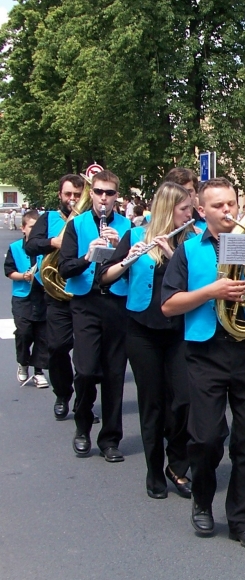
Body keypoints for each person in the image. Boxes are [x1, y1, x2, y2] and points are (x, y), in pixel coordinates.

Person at [161, 177, 245, 549]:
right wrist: (212, 291)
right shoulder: (189, 250)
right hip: (206, 351)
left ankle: (244, 519)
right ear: (201, 211)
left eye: (231, 204)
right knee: (205, 438)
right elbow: (169, 305)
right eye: (218, 206)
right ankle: (203, 501)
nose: (227, 211)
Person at [100, 183, 194, 499]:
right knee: (151, 403)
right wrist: (126, 260)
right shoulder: (135, 236)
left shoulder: (192, 241)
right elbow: (105, 277)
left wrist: (172, 255)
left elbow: (200, 282)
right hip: (142, 330)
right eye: (184, 209)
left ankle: (177, 466)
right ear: (168, 209)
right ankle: (154, 471)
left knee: (184, 400)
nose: (190, 214)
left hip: (180, 329)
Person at [58, 170, 132, 461]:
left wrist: (120, 248)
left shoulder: (128, 226)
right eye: (99, 192)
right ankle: (83, 424)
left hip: (117, 303)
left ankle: (110, 439)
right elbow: (65, 268)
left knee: (114, 374)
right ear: (91, 193)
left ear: (116, 196)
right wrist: (88, 255)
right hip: (86, 302)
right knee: (86, 371)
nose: (104, 198)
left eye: (109, 193)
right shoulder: (76, 225)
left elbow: (135, 267)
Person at [24, 174, 84, 420]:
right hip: (55, 294)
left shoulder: (88, 219)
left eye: (78, 195)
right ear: (60, 195)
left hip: (83, 292)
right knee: (57, 347)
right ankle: (62, 393)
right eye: (68, 194)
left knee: (86, 354)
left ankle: (84, 403)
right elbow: (30, 245)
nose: (73, 199)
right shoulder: (49, 218)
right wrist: (54, 242)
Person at [5, 210, 48, 388]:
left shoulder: (46, 247)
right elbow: (9, 271)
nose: (35, 231)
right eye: (31, 227)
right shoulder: (15, 247)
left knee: (42, 335)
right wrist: (23, 276)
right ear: (23, 228)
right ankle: (23, 363)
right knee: (24, 333)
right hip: (22, 297)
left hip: (43, 296)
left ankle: (38, 371)